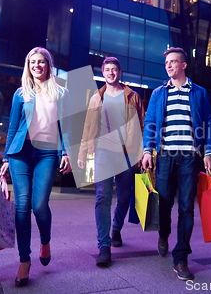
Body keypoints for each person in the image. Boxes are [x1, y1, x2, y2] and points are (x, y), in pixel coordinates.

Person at [0, 47, 72, 287]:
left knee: (39, 204)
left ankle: (46, 241)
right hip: (21, 152)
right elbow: (13, 127)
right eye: (32, 63)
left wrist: (67, 152)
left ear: (49, 65)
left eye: (41, 62)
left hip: (47, 153)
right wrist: (6, 158)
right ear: (28, 66)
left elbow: (66, 127)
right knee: (22, 206)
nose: (37, 66)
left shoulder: (61, 93)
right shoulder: (21, 94)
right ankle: (24, 260)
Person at [141, 47, 211, 281]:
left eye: (174, 62)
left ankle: (181, 257)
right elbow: (150, 122)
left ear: (184, 65)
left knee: (186, 208)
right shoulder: (159, 93)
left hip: (190, 157)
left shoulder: (199, 92)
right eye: (167, 63)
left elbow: (208, 122)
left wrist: (208, 151)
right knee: (163, 204)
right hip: (165, 156)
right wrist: (147, 150)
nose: (170, 66)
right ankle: (163, 234)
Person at [78, 57, 144, 267]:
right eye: (107, 70)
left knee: (124, 197)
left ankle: (116, 229)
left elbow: (142, 126)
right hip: (103, 153)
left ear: (120, 72)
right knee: (102, 197)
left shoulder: (133, 97)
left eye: (114, 69)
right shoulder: (96, 98)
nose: (111, 73)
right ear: (103, 72)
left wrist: (145, 153)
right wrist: (81, 152)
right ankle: (103, 245)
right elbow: (88, 127)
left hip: (127, 152)